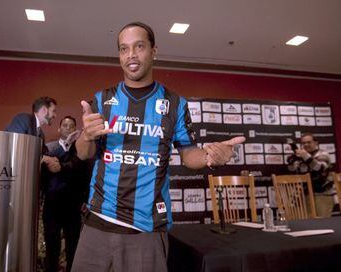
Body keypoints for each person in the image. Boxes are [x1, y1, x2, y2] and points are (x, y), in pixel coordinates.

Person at [72, 22, 245, 272]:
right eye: (124, 49)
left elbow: (188, 155)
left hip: (145, 230)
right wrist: (86, 136)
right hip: (97, 224)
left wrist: (210, 156)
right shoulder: (102, 100)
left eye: (139, 46)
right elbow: (83, 153)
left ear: (154, 51)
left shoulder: (174, 104)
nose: (131, 54)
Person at [43, 116, 91, 272]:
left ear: (75, 129)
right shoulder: (49, 148)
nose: (68, 128)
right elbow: (48, 171)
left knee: (73, 246)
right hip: (52, 205)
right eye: (65, 125)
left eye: (71, 125)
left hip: (73, 205)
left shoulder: (81, 150)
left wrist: (86, 199)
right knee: (52, 245)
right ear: (59, 129)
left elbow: (85, 175)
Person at [5, 96, 60, 171]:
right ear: (44, 110)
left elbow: (46, 154)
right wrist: (45, 158)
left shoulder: (41, 134)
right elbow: (16, 148)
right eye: (53, 111)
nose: (55, 115)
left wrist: (54, 160)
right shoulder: (23, 119)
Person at [287, 132, 333, 217]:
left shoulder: (323, 154)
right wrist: (291, 162)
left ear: (316, 143)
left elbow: (319, 168)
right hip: (304, 194)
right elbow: (294, 173)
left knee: (322, 224)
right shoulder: (301, 157)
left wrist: (306, 156)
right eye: (304, 143)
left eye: (309, 142)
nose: (306, 144)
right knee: (306, 224)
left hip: (322, 194)